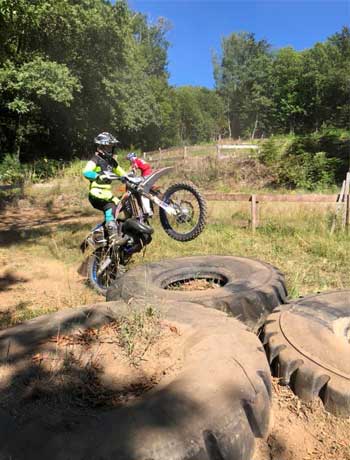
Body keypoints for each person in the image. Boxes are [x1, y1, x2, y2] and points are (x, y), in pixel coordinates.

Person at [83, 132, 127, 237]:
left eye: (111, 147)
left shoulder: (112, 162)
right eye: (108, 147)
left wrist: (131, 178)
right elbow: (86, 172)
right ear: (101, 147)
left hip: (109, 193)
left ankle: (122, 230)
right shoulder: (96, 159)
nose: (110, 150)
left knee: (127, 203)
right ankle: (113, 239)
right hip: (97, 193)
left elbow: (123, 173)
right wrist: (97, 176)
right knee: (110, 207)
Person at [126, 152, 153, 217]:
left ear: (131, 158)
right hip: (149, 173)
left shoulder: (135, 161)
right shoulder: (139, 159)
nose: (129, 161)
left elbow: (134, 171)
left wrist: (127, 174)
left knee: (141, 191)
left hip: (146, 174)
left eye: (129, 159)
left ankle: (147, 211)